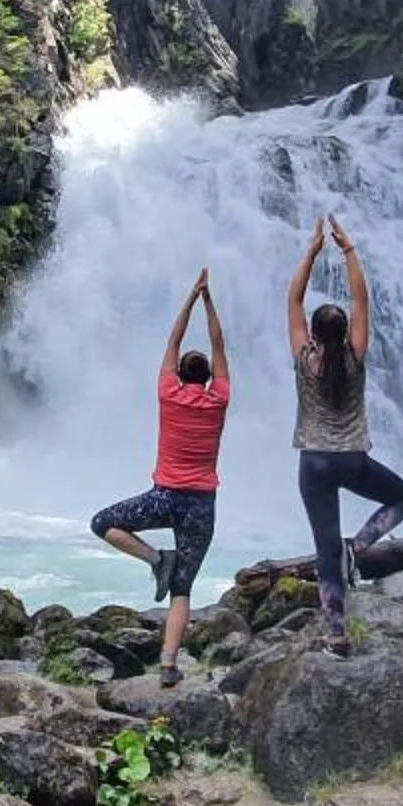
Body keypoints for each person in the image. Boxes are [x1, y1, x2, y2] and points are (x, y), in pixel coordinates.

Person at [90, 270, 231, 686]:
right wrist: (210, 302)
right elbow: (219, 344)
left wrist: (189, 298)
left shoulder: (167, 393)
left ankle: (156, 559)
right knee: (182, 588)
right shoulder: (219, 399)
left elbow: (172, 341)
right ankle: (168, 664)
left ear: (180, 374)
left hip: (164, 496)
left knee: (102, 523)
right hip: (201, 504)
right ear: (207, 379)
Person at [287, 213, 403, 656]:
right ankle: (359, 545)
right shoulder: (355, 358)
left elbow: (293, 301)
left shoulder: (305, 359)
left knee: (324, 548)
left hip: (314, 463)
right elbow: (363, 303)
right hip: (352, 458)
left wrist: (310, 252)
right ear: (345, 333)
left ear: (314, 333)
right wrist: (348, 251)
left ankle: (336, 634)